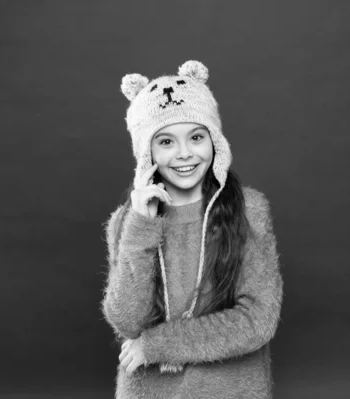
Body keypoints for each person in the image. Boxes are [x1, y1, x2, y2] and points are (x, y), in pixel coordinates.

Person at [101, 60, 283, 398]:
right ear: (146, 153)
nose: (184, 153)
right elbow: (127, 321)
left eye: (196, 137)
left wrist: (157, 345)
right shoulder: (128, 222)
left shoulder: (248, 210)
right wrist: (141, 227)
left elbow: (256, 319)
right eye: (166, 142)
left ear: (215, 141)